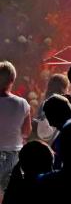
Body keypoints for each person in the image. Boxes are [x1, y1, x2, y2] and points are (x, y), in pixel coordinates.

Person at [0, 61, 32, 194]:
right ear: (12, 80)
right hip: (14, 154)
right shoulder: (22, 103)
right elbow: (26, 132)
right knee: (10, 193)